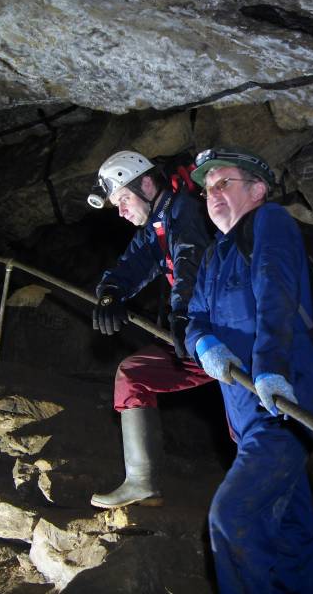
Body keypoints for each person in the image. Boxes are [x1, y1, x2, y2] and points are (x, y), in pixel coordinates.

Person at [185, 147, 313, 593]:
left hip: (284, 404)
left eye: (223, 182)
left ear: (258, 189)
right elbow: (194, 318)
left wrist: (270, 368)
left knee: (234, 515)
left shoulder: (271, 223)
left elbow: (276, 291)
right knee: (290, 528)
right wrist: (203, 343)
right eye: (207, 189)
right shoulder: (214, 257)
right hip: (246, 415)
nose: (212, 194)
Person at [88, 150, 214, 509]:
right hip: (196, 336)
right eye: (117, 204)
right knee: (133, 374)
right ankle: (141, 481)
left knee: (251, 426)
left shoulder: (186, 211)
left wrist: (182, 312)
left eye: (123, 199)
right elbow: (132, 265)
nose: (122, 210)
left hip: (229, 335)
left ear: (146, 183)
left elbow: (191, 260)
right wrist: (111, 293)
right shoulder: (158, 225)